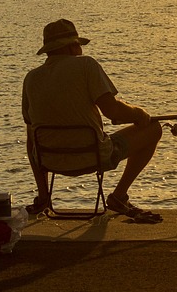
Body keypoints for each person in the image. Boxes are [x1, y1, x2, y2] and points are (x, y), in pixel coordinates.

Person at [22, 19, 163, 223]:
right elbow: (112, 111)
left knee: (32, 135)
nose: (80, 50)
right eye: (78, 44)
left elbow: (31, 140)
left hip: (49, 160)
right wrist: (139, 114)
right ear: (71, 46)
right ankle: (119, 197)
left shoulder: (31, 78)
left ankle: (45, 197)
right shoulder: (86, 65)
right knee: (154, 128)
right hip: (94, 156)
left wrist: (42, 195)